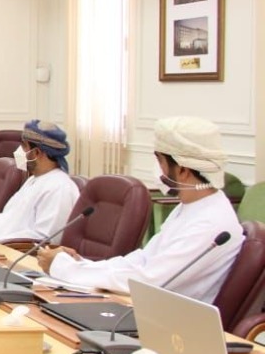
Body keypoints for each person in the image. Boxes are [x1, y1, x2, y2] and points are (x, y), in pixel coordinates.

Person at [37, 117, 243, 303]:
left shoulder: (209, 222)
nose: (157, 168)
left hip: (166, 320)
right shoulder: (192, 206)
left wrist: (64, 268)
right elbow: (143, 260)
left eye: (159, 160)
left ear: (182, 170)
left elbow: (147, 281)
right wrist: (80, 264)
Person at [0, 120, 79, 243]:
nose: (19, 151)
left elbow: (43, 238)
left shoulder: (59, 188)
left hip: (12, 251)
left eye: (24, 146)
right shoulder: (34, 180)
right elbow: (6, 218)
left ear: (36, 152)